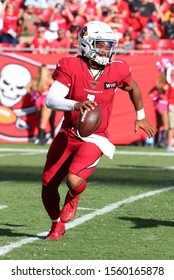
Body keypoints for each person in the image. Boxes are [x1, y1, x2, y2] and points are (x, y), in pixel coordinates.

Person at [41, 20, 155, 240]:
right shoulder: (70, 65)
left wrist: (140, 116)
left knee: (73, 180)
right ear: (86, 43)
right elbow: (52, 99)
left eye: (108, 45)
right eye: (101, 44)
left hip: (95, 136)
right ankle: (56, 225)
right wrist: (75, 104)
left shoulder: (118, 68)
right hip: (69, 132)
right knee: (48, 184)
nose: (106, 49)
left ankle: (74, 196)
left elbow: (134, 88)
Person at [26, 64, 55, 145]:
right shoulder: (49, 79)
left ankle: (41, 137)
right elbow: (55, 87)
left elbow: (28, 87)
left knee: (40, 120)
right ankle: (41, 139)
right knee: (44, 121)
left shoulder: (36, 79)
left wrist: (34, 95)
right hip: (46, 100)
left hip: (38, 100)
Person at [148, 72, 168, 147]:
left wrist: (155, 99)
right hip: (164, 105)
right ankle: (162, 142)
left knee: (158, 125)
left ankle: (155, 142)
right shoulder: (166, 85)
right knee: (166, 125)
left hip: (158, 105)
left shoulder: (158, 85)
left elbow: (150, 93)